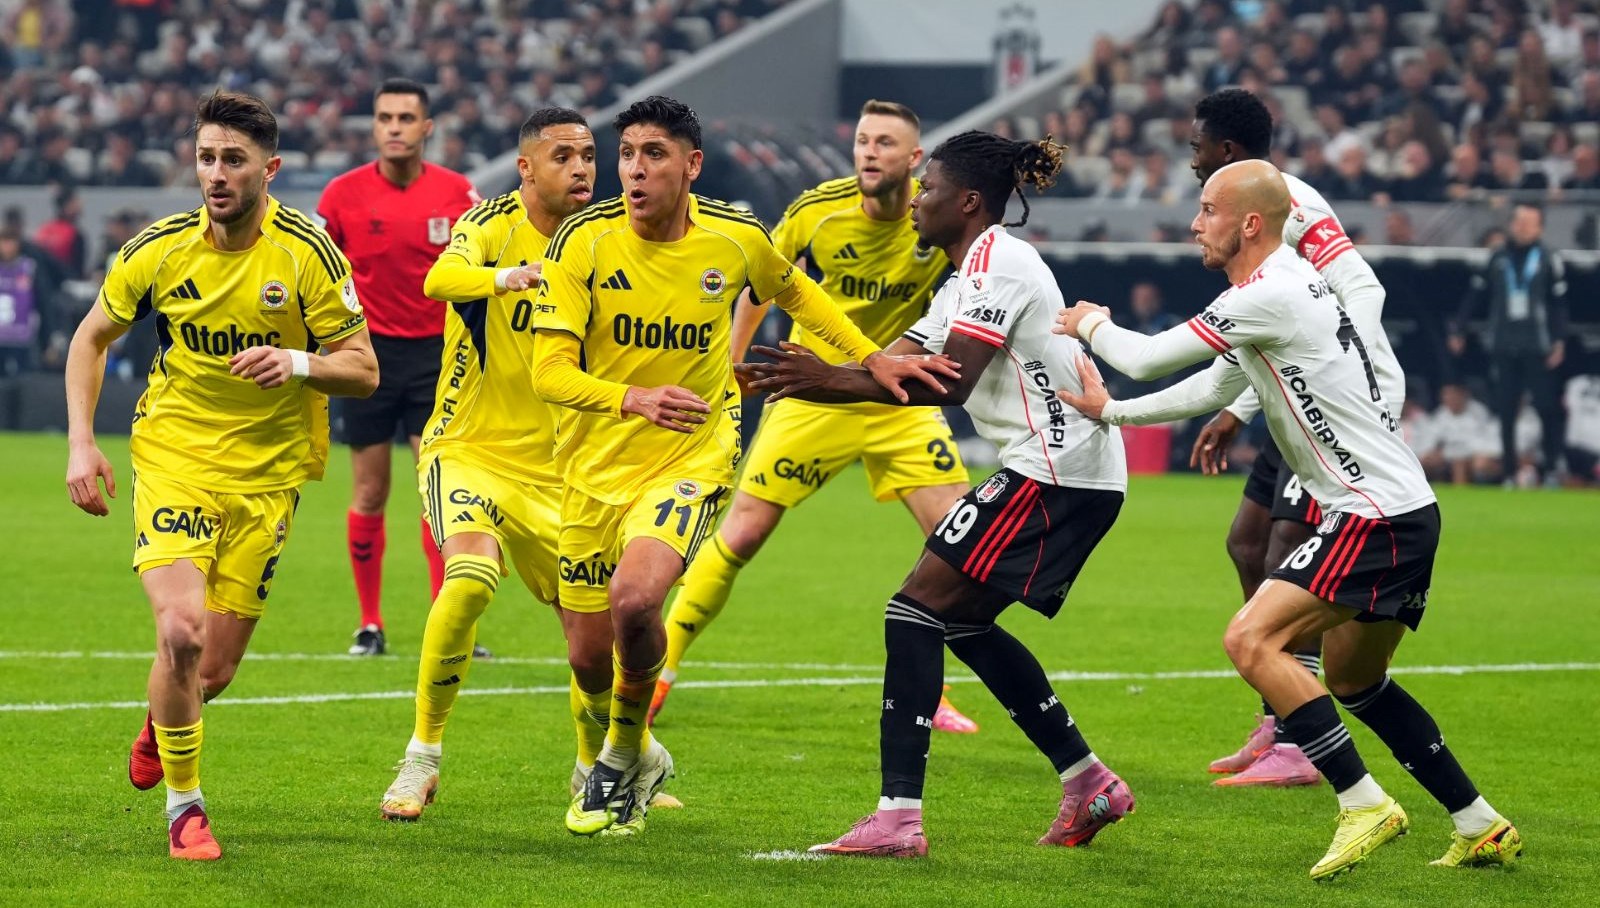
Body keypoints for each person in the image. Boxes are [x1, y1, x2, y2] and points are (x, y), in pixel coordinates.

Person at [1056, 159, 1520, 879]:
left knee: (1250, 640)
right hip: (1406, 509)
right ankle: (1479, 822)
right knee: (1356, 680)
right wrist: (1112, 412)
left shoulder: (1267, 292)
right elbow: (1212, 383)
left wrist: (1091, 323)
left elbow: (1145, 358)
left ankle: (1364, 803)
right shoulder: (1285, 288)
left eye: (1207, 209)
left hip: (1371, 517)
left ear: (1249, 223)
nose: (1193, 223)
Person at [529, 96, 952, 837]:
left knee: (635, 601)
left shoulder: (735, 237)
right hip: (593, 464)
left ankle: (622, 756)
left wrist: (871, 358)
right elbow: (549, 374)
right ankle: (637, 748)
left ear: (691, 166)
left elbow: (798, 291)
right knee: (589, 658)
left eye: (653, 154)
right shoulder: (580, 243)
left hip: (693, 449)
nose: (633, 169)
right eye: (626, 154)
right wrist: (634, 397)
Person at [740, 130, 1136, 859]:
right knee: (960, 623)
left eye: (930, 189)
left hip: (1057, 469)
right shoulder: (963, 276)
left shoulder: (1001, 262)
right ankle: (1088, 781)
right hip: (1057, 468)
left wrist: (823, 379)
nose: (918, 199)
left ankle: (898, 818)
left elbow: (946, 382)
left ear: (970, 202)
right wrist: (816, 370)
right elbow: (903, 365)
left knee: (913, 610)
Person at [64, 91, 379, 860]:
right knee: (179, 629)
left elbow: (363, 370)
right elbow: (91, 338)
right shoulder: (160, 248)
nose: (216, 173)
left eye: (233, 160)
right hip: (175, 453)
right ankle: (185, 809)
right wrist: (82, 442)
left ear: (268, 170)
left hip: (267, 475)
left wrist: (300, 361)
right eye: (206, 158)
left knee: (213, 669)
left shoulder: (307, 253)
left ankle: (160, 721)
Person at [379, 107, 675, 829]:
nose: (582, 168)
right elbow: (441, 280)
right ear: (526, 169)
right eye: (564, 156)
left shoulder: (608, 237)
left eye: (588, 156)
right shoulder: (489, 224)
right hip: (468, 448)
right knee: (472, 577)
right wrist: (510, 277)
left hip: (564, 468)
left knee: (589, 642)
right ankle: (422, 755)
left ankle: (596, 766)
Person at [651, 99, 977, 734]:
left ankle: (930, 691)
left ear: (914, 160)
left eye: (884, 143)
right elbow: (758, 282)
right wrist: (733, 364)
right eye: (862, 141)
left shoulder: (932, 221)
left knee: (959, 544)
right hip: (814, 393)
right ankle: (659, 672)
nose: (868, 152)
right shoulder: (815, 211)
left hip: (896, 398)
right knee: (741, 534)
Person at [1181, 89, 1405, 787]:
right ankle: (1281, 714)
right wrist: (1236, 410)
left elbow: (1362, 292)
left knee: (1284, 546)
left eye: (1196, 147)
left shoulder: (1295, 203)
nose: (1189, 161)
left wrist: (1351, 371)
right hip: (1289, 397)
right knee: (1247, 542)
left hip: (1335, 404)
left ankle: (1302, 740)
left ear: (1225, 150)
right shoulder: (1251, 212)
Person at [317, 79, 481, 656]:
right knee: (370, 490)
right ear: (374, 126)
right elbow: (318, 275)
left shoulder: (459, 195)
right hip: (366, 356)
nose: (394, 127)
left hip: (438, 357)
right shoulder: (341, 196)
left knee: (439, 490)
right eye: (385, 116)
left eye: (406, 117)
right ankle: (370, 622)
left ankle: (449, 626)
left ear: (427, 128)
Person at [1449, 203, 1569, 488]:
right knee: (1505, 409)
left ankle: (1551, 467)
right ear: (1512, 225)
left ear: (1539, 227)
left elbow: (1559, 305)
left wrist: (1559, 340)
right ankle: (1509, 473)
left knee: (1545, 407)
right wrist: (1459, 327)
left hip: (1537, 344)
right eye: (1520, 222)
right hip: (1503, 344)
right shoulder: (1497, 257)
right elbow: (1475, 295)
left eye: (1530, 222)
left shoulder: (1549, 258)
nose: (1523, 227)